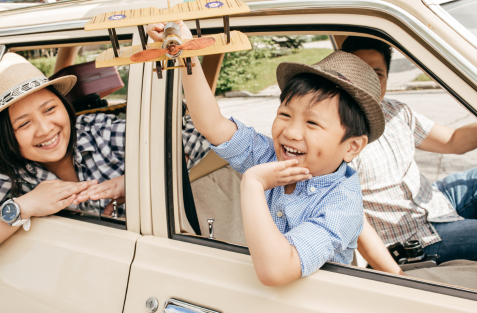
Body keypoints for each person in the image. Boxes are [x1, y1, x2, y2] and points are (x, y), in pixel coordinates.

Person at [148, 22, 386, 286]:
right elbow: (211, 123)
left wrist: (253, 183)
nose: (291, 132)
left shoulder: (342, 205)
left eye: (312, 123)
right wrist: (187, 52)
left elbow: (276, 271)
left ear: (352, 146)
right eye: (284, 114)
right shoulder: (270, 156)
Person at [0, 53, 209, 263]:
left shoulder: (96, 132)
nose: (46, 129)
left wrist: (136, 180)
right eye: (24, 124)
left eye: (50, 109)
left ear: (64, 105)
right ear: (5, 137)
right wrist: (25, 205)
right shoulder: (1, 166)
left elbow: (202, 131)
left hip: (161, 258)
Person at [342, 36, 477, 264]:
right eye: (359, 72)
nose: (369, 81)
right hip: (412, 238)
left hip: (434, 200)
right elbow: (356, 219)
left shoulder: (396, 111)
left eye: (377, 74)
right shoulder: (338, 137)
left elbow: (453, 141)